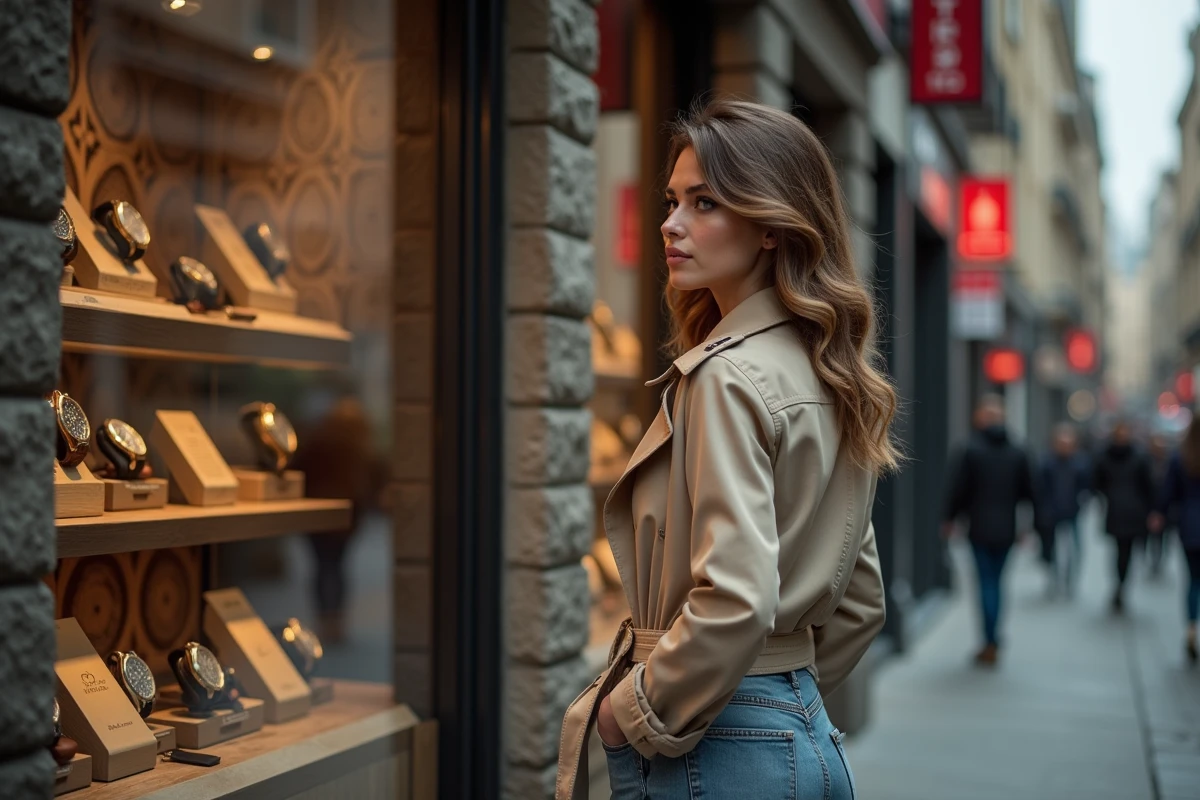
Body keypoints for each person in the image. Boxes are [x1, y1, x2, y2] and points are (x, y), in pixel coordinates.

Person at [555, 99, 898, 800]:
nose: (671, 223)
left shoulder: (725, 376)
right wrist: (781, 697)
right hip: (805, 737)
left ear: (772, 225)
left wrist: (630, 713)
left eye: (705, 202)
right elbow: (860, 599)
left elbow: (737, 598)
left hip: (717, 744)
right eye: (673, 200)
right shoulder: (830, 370)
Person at [942, 394, 1035, 666]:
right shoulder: (1018, 451)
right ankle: (993, 638)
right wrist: (1029, 526)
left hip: (979, 528)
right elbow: (1030, 492)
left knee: (986, 583)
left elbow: (957, 490)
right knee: (997, 582)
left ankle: (990, 640)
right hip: (1006, 529)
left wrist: (949, 518)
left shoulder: (970, 450)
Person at [1093, 421, 1156, 614]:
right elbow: (1097, 482)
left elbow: (1149, 486)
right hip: (1117, 511)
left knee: (1126, 552)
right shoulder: (1106, 456)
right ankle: (1120, 584)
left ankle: (1121, 585)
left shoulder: (1139, 458)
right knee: (1120, 552)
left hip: (1133, 513)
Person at [1153, 416, 1200, 663]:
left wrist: (1159, 513)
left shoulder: (1181, 457)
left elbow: (1168, 492)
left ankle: (1191, 628)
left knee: (1193, 580)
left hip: (1190, 526)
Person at [1034, 423, 1091, 596]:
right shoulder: (1046, 463)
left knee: (1074, 549)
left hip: (1072, 512)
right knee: (1053, 548)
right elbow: (1040, 489)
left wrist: (1082, 501)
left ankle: (1069, 581)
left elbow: (1086, 486)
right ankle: (1054, 579)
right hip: (1052, 513)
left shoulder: (1080, 463)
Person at [1145, 433, 1173, 578]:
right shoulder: (1146, 462)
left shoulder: (1170, 463)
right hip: (1149, 506)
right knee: (1151, 538)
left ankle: (1158, 562)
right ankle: (1152, 561)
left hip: (1165, 509)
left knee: (1162, 538)